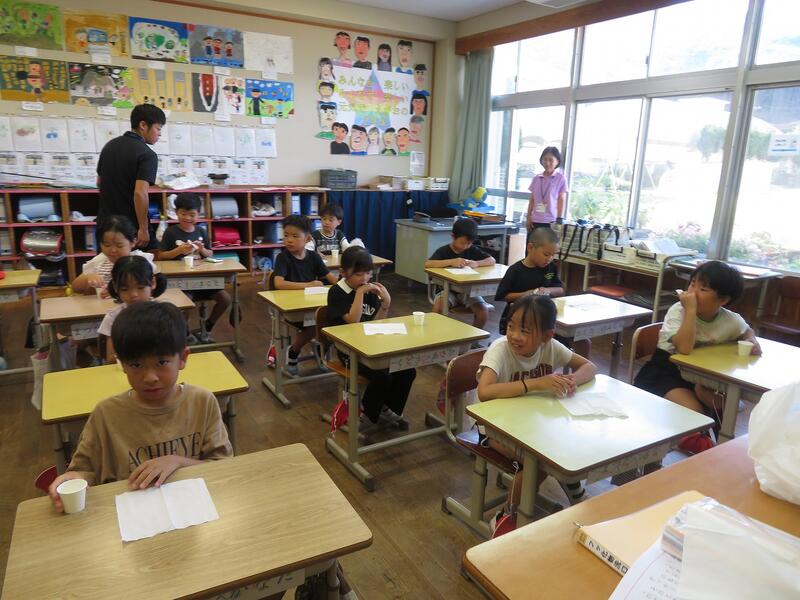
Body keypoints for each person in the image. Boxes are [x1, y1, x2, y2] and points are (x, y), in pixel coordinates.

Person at [48, 301, 232, 511]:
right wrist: (73, 478)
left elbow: (223, 465)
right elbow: (83, 471)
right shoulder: (106, 414)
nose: (150, 377)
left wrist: (178, 462)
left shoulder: (202, 402)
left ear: (182, 358)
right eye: (136, 365)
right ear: (122, 365)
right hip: (129, 515)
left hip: (191, 509)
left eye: (161, 362)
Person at [477, 295, 598, 529]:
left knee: (563, 445)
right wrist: (536, 383)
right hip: (492, 427)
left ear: (546, 336)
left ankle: (572, 489)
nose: (514, 335)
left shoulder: (550, 348)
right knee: (540, 461)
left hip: (531, 424)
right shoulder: (500, 349)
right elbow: (484, 391)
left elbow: (589, 366)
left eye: (524, 330)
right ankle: (507, 514)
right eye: (511, 326)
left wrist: (570, 380)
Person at [634, 261, 761, 453]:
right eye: (692, 284)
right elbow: (684, 348)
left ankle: (715, 447)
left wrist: (751, 340)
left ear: (722, 300)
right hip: (664, 373)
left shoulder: (729, 319)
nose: (692, 292)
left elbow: (746, 330)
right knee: (695, 416)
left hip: (702, 377)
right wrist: (691, 311)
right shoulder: (678, 311)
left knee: (724, 407)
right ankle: (706, 451)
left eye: (702, 289)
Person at [327, 247, 414, 432]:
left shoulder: (369, 291)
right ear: (343, 272)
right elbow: (353, 321)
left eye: (368, 273)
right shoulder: (337, 292)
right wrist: (359, 294)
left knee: (407, 369)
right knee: (382, 375)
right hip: (348, 350)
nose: (365, 278)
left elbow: (375, 325)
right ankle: (366, 414)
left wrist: (385, 305)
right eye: (358, 274)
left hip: (370, 346)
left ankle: (385, 406)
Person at [158, 192, 231, 341]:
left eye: (192, 214)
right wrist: (178, 250)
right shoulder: (170, 233)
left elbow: (210, 253)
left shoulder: (201, 231)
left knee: (225, 299)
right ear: (176, 212)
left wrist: (202, 250)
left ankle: (208, 326)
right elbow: (161, 256)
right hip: (181, 282)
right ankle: (185, 332)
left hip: (202, 279)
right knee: (186, 302)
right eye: (183, 214)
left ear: (198, 214)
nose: (187, 218)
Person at [273, 215, 339, 375]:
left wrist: (347, 286)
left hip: (312, 306)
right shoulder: (283, 258)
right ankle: (293, 352)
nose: (289, 240)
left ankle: (321, 352)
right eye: (286, 235)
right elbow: (278, 283)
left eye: (295, 236)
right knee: (312, 328)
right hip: (292, 309)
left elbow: (331, 278)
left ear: (308, 238)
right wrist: (307, 285)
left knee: (335, 322)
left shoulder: (314, 257)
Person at [96, 103, 166, 249]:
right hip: (130, 228)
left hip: (106, 226)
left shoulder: (109, 146)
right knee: (150, 260)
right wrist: (143, 229)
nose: (159, 134)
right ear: (143, 125)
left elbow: (99, 183)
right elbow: (140, 193)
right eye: (158, 128)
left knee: (109, 263)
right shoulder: (147, 154)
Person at [425, 218, 495, 330]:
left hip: (468, 292)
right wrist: (451, 261)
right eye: (462, 243)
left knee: (483, 312)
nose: (465, 246)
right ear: (453, 237)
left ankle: (473, 337)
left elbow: (491, 260)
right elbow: (428, 264)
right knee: (438, 308)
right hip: (446, 290)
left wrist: (477, 263)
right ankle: (435, 334)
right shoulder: (443, 251)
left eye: (469, 243)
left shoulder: (473, 250)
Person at [98, 256, 167, 363]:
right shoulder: (113, 318)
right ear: (115, 287)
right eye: (125, 289)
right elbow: (111, 358)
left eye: (140, 287)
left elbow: (171, 351)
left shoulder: (163, 314)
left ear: (153, 283)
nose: (133, 294)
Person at [495, 227, 564, 335]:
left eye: (553, 255)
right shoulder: (515, 270)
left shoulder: (551, 267)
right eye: (546, 254)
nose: (550, 259)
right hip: (518, 318)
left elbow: (560, 289)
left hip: (542, 316)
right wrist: (527, 294)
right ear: (530, 247)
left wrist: (547, 290)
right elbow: (502, 296)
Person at [72, 215, 154, 296]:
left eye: (119, 245)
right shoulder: (99, 261)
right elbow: (75, 288)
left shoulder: (141, 261)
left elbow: (152, 287)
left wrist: (116, 292)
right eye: (107, 245)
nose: (113, 250)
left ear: (133, 242)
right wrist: (88, 277)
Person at [527, 146, 568, 230]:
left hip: (551, 221)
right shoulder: (536, 178)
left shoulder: (561, 178)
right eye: (545, 159)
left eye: (551, 160)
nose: (547, 163)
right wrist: (528, 217)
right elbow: (532, 199)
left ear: (557, 162)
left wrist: (559, 218)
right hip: (535, 220)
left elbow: (561, 200)